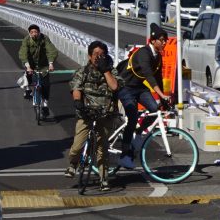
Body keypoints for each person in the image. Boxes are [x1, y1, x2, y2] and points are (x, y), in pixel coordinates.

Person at [65, 41, 120, 190]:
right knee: (77, 146)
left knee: (102, 148)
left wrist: (105, 70)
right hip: (86, 113)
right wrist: (77, 101)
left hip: (105, 114)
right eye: (95, 54)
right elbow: (76, 87)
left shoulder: (111, 71)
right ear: (89, 56)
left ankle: (104, 178)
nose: (98, 57)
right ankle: (73, 163)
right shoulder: (82, 71)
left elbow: (115, 86)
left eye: (101, 54)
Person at [115, 25, 171, 170]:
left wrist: (164, 99)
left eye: (165, 40)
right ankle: (124, 156)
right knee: (132, 117)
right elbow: (148, 74)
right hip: (125, 87)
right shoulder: (143, 53)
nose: (164, 42)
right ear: (153, 41)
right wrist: (160, 94)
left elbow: (158, 77)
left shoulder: (157, 56)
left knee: (155, 109)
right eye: (161, 40)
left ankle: (138, 133)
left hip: (139, 88)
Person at [18, 24, 58, 117]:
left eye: (36, 32)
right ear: (29, 33)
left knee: (46, 84)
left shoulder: (44, 39)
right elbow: (23, 52)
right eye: (32, 32)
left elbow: (51, 50)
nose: (34, 34)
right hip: (30, 64)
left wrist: (51, 64)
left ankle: (45, 105)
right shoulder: (27, 40)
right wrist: (28, 66)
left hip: (43, 65)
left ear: (39, 32)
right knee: (28, 74)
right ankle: (27, 89)